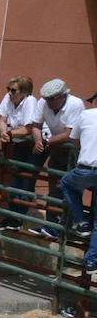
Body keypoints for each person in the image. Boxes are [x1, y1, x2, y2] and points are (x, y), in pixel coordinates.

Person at [27, 79, 87, 240]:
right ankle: (51, 226)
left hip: (73, 152)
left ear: (62, 96)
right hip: (56, 149)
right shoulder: (43, 103)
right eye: (46, 99)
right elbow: (35, 125)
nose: (48, 103)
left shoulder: (75, 104)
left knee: (68, 189)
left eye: (51, 99)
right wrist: (38, 140)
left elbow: (70, 134)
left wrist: (45, 142)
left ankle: (65, 226)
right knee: (54, 188)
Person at [58, 92, 97, 276]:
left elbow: (73, 141)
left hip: (86, 170)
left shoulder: (86, 115)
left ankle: (81, 222)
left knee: (66, 183)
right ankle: (92, 260)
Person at [0, 76, 40, 230]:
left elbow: (28, 128)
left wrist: (9, 135)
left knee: (26, 180)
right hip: (18, 143)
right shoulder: (8, 99)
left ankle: (18, 218)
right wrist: (4, 133)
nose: (9, 93)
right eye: (8, 89)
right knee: (15, 178)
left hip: (32, 144)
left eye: (13, 90)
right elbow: (2, 121)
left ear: (24, 92)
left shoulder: (30, 102)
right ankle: (13, 217)